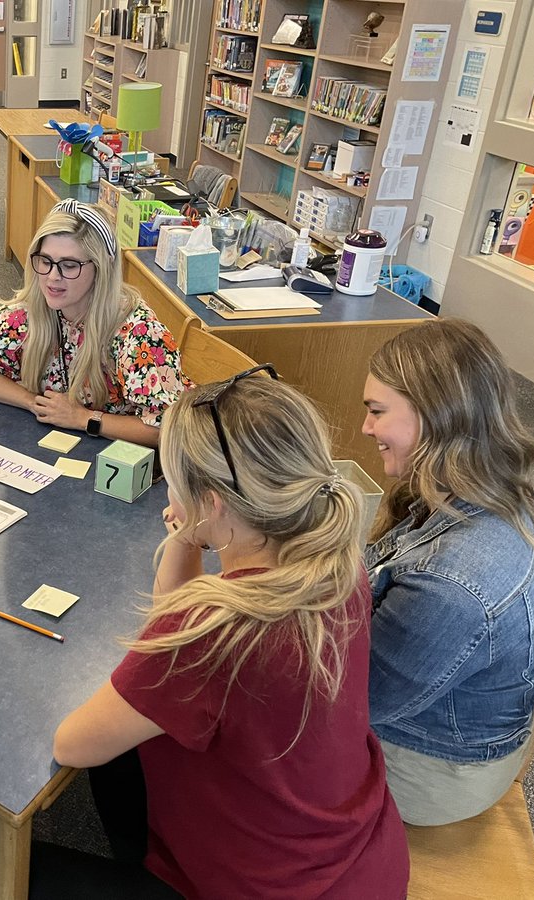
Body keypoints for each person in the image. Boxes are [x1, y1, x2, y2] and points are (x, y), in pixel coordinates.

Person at [31, 370, 408, 898]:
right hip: (354, 859)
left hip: (266, 888)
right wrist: (188, 533)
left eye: (173, 482)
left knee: (18, 873)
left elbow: (72, 745)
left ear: (212, 502)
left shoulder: (212, 632)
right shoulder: (336, 564)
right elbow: (172, 625)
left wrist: (189, 533)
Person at [362, 318, 534, 826]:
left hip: (430, 772)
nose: (366, 428)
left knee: (223, 737)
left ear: (434, 417)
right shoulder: (506, 494)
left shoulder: (452, 583)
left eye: (377, 412)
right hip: (449, 734)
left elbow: (354, 703)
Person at [0, 198, 189, 449]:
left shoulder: (139, 333)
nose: (52, 277)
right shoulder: (34, 311)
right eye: (45, 261)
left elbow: (165, 428)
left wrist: (82, 418)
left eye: (69, 266)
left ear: (101, 269)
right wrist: (33, 402)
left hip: (122, 458)